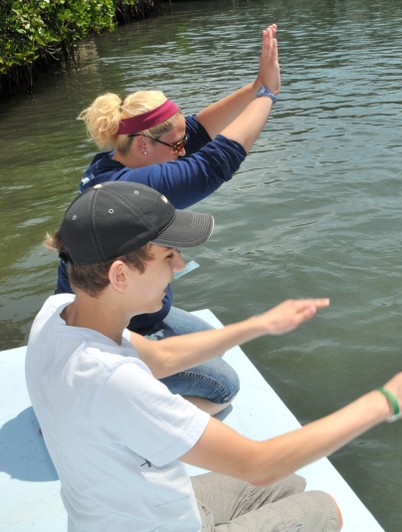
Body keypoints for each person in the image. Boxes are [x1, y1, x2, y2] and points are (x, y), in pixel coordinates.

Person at [27, 181, 402, 531]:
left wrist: (259, 325)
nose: (180, 265)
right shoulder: (113, 381)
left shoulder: (59, 315)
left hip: (118, 514)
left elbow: (160, 359)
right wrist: (387, 400)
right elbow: (257, 464)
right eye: (168, 255)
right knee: (324, 508)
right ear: (120, 274)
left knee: (289, 481)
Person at [54, 24, 284, 414]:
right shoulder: (129, 191)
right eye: (176, 146)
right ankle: (115, 415)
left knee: (216, 345)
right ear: (143, 144)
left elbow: (196, 132)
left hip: (129, 311)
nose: (184, 150)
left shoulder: (116, 163)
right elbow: (214, 165)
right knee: (222, 387)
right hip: (111, 329)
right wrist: (268, 95)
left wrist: (254, 85)